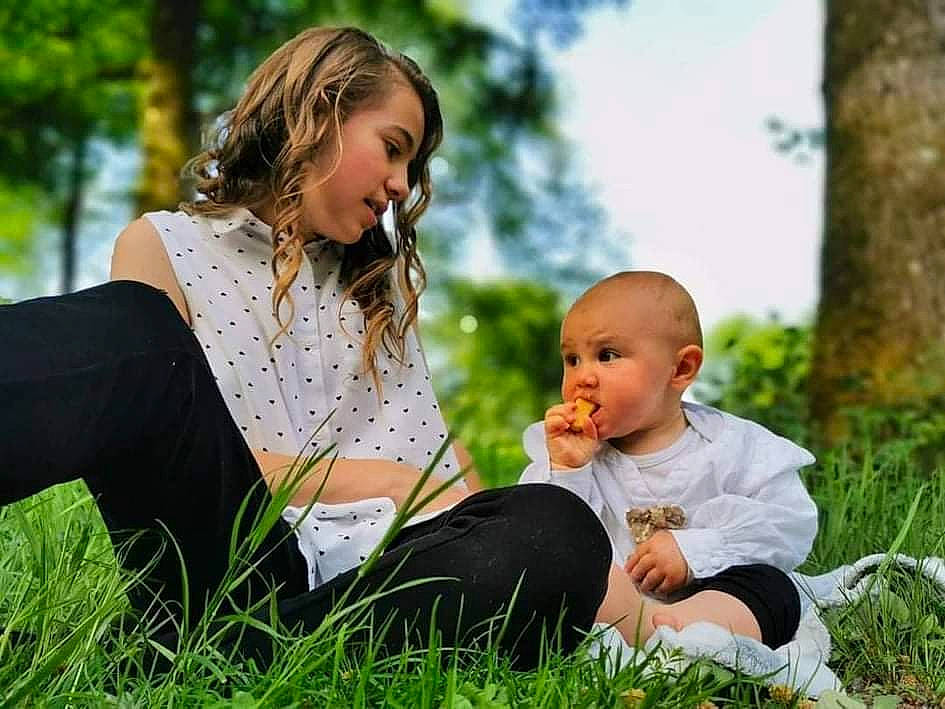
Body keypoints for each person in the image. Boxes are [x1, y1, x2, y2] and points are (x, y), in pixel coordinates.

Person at [0, 26, 611, 669]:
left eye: (413, 167)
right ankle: (233, 644)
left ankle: (226, 657)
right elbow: (169, 448)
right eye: (392, 148)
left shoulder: (379, 293)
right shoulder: (164, 245)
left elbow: (449, 486)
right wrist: (385, 480)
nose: (402, 185)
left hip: (366, 593)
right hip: (223, 558)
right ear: (319, 113)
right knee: (134, 327)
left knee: (553, 528)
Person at [519, 271, 818, 650]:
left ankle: (678, 635)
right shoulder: (567, 454)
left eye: (606, 356)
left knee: (773, 589)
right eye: (572, 359)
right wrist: (568, 470)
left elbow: (789, 524)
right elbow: (539, 538)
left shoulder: (736, 447)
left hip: (716, 597)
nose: (582, 378)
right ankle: (655, 640)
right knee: (559, 582)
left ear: (681, 369)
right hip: (615, 607)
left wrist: (696, 549)